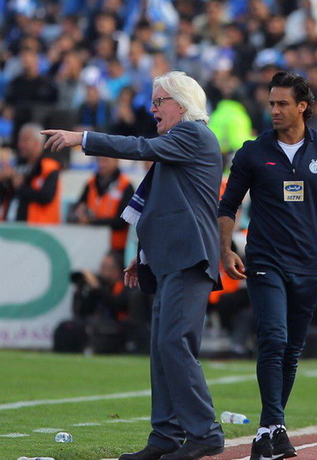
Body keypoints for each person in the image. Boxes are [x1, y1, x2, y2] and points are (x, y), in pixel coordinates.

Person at [42, 71, 225, 460]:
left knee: (173, 344)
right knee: (162, 347)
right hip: (171, 258)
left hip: (189, 257)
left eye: (158, 102)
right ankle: (166, 436)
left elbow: (139, 147)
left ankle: (205, 431)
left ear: (182, 105)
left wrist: (82, 138)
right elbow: (161, 206)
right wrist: (141, 256)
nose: (152, 109)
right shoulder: (180, 143)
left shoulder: (193, 134)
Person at [217, 71, 317, 460]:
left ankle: (269, 429)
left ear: (302, 107)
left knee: (292, 350)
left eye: (282, 104)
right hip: (265, 261)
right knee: (273, 338)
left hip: (308, 264)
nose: (274, 110)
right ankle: (272, 426)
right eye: (271, 103)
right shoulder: (252, 152)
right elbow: (228, 206)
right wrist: (225, 250)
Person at [0, 123, 62, 225]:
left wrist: (21, 186)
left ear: (37, 143)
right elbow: (1, 196)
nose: (20, 145)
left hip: (39, 229)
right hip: (11, 226)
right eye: (20, 140)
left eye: (25, 140)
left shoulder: (49, 167)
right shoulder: (17, 165)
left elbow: (46, 197)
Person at [69, 157, 134, 256]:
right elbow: (78, 207)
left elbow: (122, 221)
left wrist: (92, 222)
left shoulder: (125, 186)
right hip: (89, 244)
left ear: (116, 161)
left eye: (105, 161)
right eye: (99, 160)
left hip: (115, 248)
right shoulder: (91, 183)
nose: (101, 164)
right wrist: (79, 215)